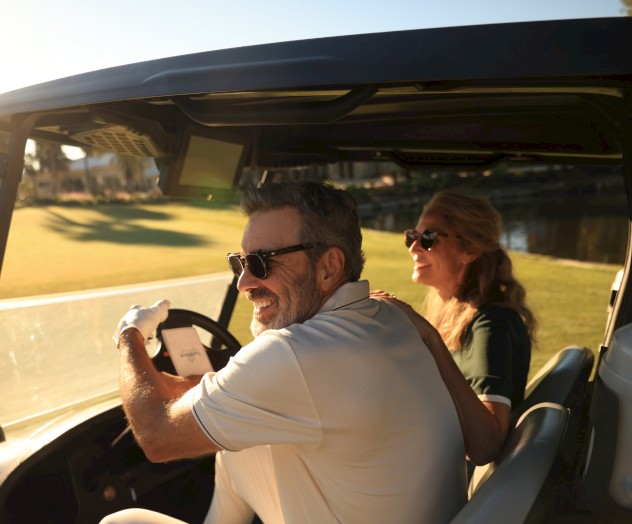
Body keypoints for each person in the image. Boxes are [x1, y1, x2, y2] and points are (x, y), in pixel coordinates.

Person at [102, 181, 467, 524]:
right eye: (239, 263)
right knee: (241, 443)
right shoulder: (387, 316)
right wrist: (175, 386)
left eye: (262, 262)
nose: (244, 282)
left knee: (119, 521)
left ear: (329, 267)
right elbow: (255, 388)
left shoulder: (298, 354)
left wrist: (130, 336)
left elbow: (156, 436)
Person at [389, 188, 535, 466]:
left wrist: (429, 337)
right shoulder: (454, 309)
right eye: (412, 236)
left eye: (428, 238)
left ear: (469, 250)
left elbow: (486, 445)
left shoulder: (491, 326)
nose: (413, 248)